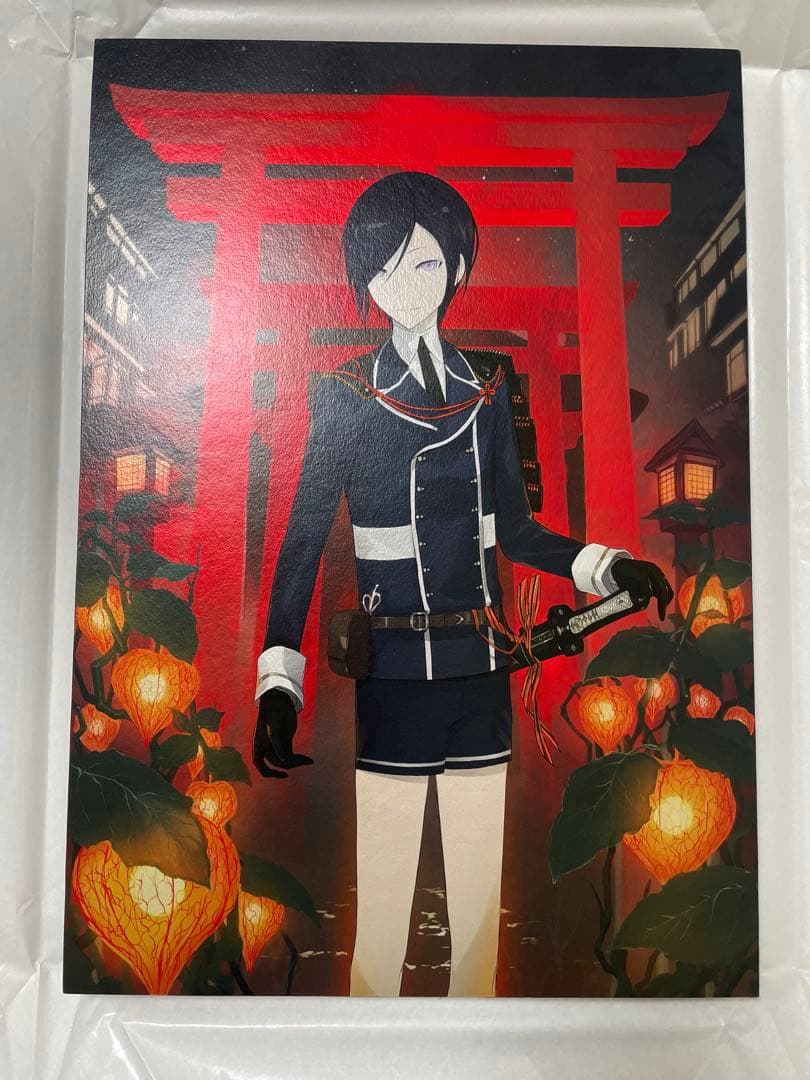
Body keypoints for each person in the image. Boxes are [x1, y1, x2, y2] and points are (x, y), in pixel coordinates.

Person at [252, 171, 672, 996]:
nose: (406, 286)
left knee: (478, 924)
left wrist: (607, 566)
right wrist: (278, 683)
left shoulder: (488, 389)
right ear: (365, 282)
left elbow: (518, 532)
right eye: (385, 269)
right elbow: (302, 542)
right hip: (394, 678)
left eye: (426, 264)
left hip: (481, 670)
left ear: (457, 269)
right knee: (383, 917)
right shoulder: (344, 394)